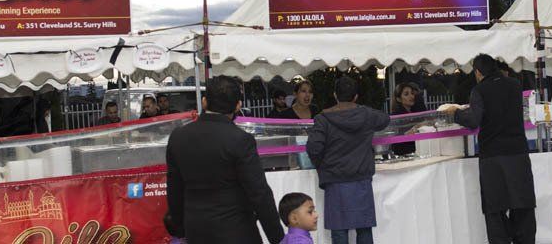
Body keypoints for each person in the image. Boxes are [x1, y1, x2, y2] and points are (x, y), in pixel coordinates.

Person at [166, 76, 285, 243]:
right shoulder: (240, 139)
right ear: (238, 105)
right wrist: (277, 238)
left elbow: (174, 188)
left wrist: (180, 228)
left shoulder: (178, 137)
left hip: (196, 229)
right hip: (236, 230)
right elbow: (259, 193)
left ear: (205, 102)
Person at [447, 54, 537, 244]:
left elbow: (473, 120)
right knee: (523, 204)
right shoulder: (514, 85)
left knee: (495, 208)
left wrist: (455, 113)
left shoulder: (479, 90)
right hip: (518, 153)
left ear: (478, 72)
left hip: (492, 157)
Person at [307, 77, 390, 244]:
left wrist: (323, 166)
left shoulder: (323, 118)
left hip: (335, 181)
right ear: (356, 96)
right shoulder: (366, 114)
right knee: (364, 230)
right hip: (361, 180)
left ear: (335, 95)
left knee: (339, 233)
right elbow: (385, 120)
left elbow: (314, 149)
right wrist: (361, 109)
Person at [389, 83, 420, 156]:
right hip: (403, 155)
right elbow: (395, 143)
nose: (411, 96)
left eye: (412, 93)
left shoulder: (416, 113)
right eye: (406, 94)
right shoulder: (396, 117)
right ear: (399, 99)